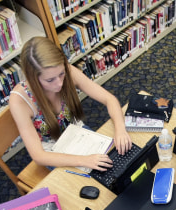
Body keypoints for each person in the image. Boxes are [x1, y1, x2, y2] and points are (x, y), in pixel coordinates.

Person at [9, 36, 132, 172]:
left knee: (117, 163)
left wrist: (120, 130)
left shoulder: (67, 71)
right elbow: (38, 156)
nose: (59, 83)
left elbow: (109, 99)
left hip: (76, 131)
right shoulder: (19, 100)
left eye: (61, 74)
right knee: (93, 182)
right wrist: (84, 160)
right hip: (52, 150)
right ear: (33, 78)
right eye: (50, 80)